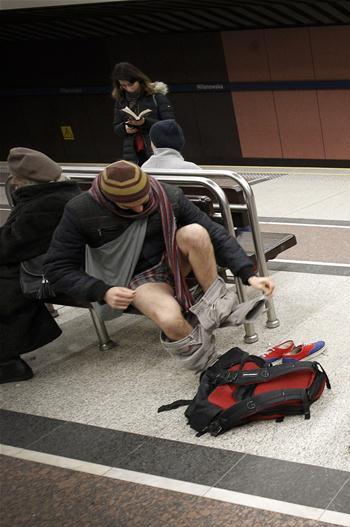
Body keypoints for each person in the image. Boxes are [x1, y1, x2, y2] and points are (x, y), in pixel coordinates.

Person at [44, 161, 275, 371]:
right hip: (134, 276)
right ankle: (210, 365)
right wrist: (102, 291)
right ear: (106, 199)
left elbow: (213, 232)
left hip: (171, 261)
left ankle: (215, 307)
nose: (138, 210)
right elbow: (57, 267)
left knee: (195, 232)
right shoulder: (81, 210)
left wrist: (248, 274)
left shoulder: (166, 194)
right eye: (127, 207)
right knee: (170, 321)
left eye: (142, 203)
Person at [0, 148, 82, 384]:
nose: (13, 183)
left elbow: (12, 245)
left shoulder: (46, 205)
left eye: (15, 178)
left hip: (52, 271)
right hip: (51, 262)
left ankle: (8, 362)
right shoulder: (55, 195)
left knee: (4, 283)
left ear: (25, 181)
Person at [110, 62, 175, 165]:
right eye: (123, 85)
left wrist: (144, 122)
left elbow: (170, 125)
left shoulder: (156, 96)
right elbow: (116, 127)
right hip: (133, 153)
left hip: (157, 150)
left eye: (131, 84)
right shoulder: (121, 101)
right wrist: (125, 128)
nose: (128, 88)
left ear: (139, 80)